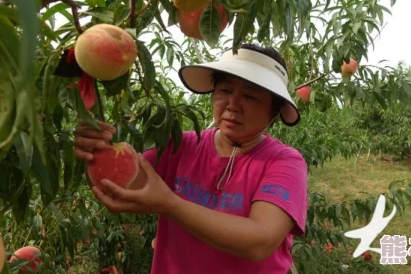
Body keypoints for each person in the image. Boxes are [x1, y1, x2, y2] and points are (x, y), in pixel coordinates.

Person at [74, 43, 308, 273]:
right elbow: (120, 185)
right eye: (224, 91)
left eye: (250, 96)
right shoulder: (183, 145)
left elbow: (260, 241)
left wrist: (171, 205)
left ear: (273, 113)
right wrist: (97, 153)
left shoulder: (283, 162)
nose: (233, 104)